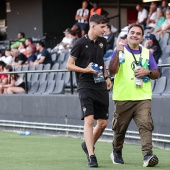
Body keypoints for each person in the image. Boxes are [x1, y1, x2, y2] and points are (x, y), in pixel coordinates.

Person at [109, 24, 159, 167]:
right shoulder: (120, 50)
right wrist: (117, 54)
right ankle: (116, 152)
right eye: (132, 32)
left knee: (146, 124)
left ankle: (147, 155)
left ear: (142, 37)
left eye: (138, 33)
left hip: (142, 97)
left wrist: (147, 72)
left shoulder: (147, 53)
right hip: (123, 97)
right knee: (120, 128)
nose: (135, 35)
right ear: (128, 34)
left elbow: (156, 73)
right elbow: (112, 71)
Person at [66, 14, 112, 167]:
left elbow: (102, 61)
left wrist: (106, 77)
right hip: (85, 84)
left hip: (100, 85)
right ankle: (91, 156)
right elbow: (69, 65)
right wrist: (85, 70)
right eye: (102, 27)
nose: (105, 30)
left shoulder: (103, 42)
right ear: (93, 26)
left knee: (103, 123)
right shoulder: (79, 43)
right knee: (89, 120)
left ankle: (87, 144)